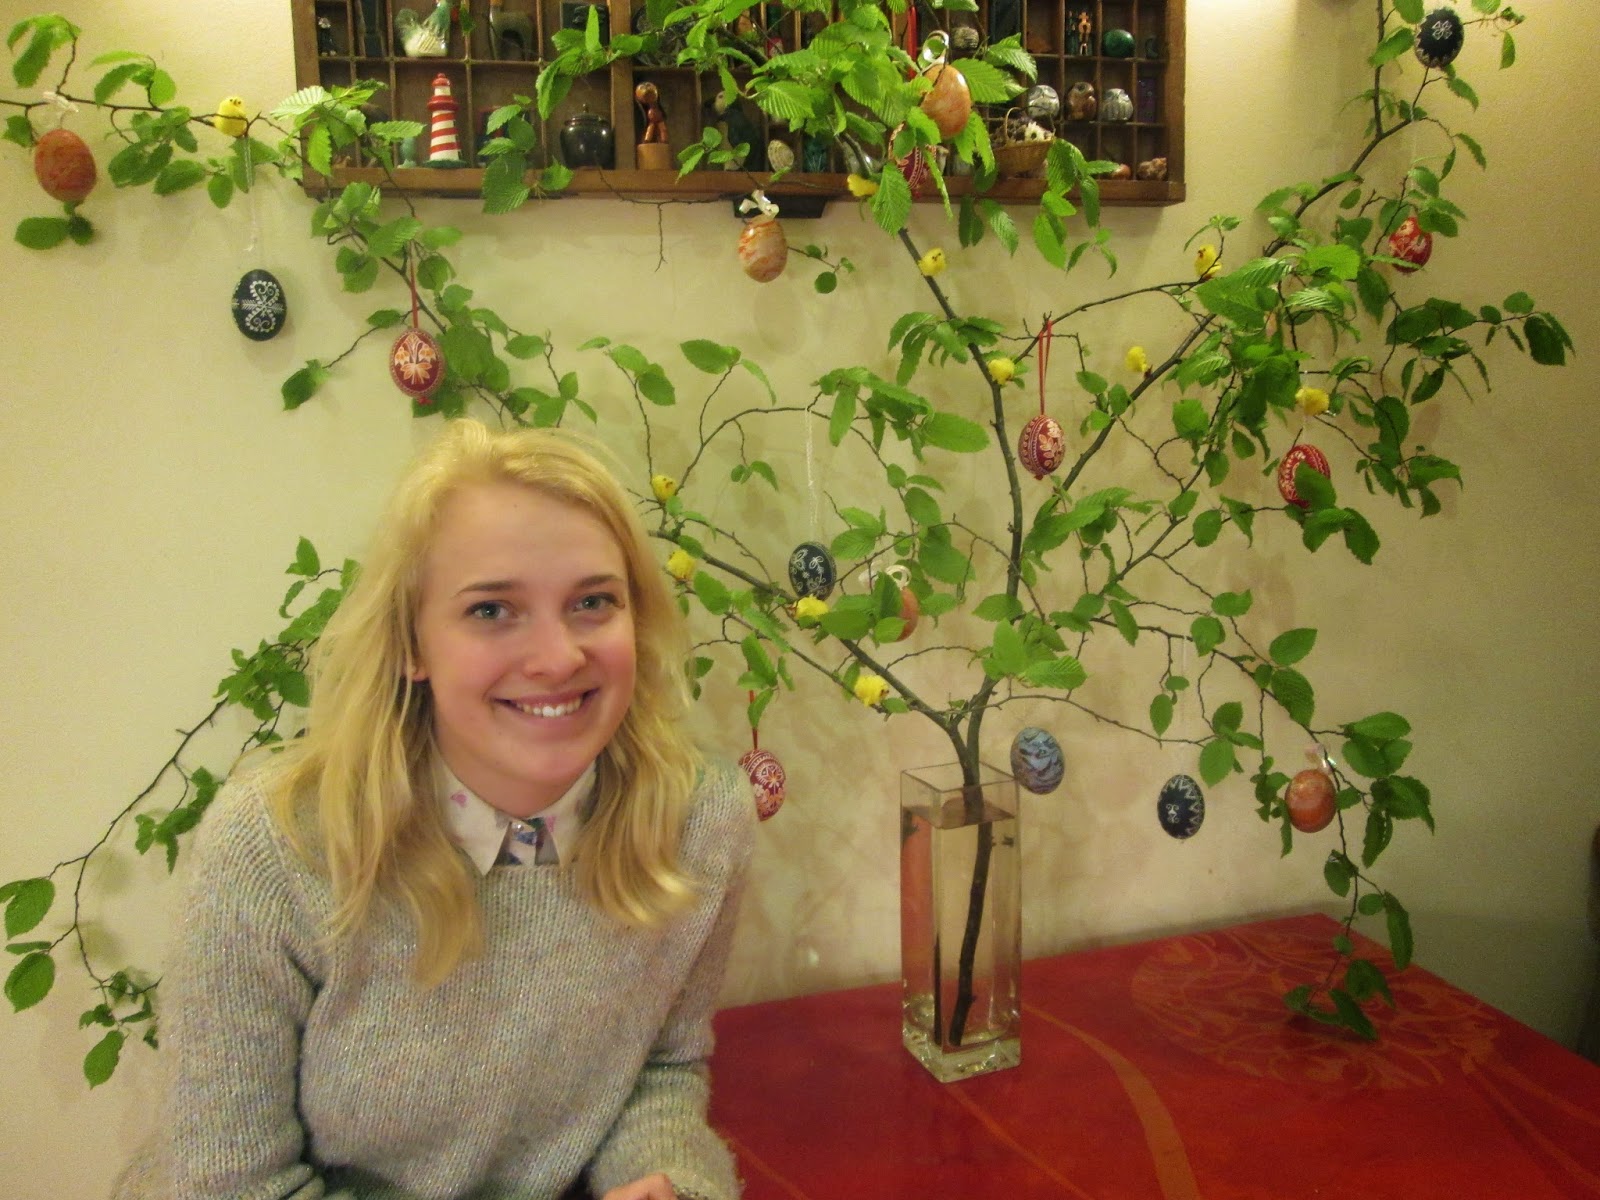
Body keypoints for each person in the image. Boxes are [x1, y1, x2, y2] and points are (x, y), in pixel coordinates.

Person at [116, 419, 755, 1200]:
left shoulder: (701, 819)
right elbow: (229, 1185)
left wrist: (667, 1178)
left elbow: (663, 1067)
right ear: (412, 643)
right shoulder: (272, 846)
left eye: (593, 601)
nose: (558, 657)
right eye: (492, 611)